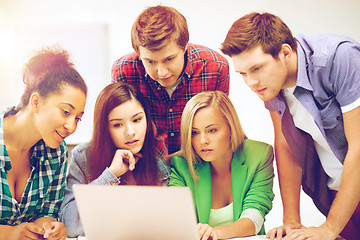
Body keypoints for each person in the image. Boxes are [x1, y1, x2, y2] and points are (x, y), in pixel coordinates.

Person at [221, 12, 360, 240]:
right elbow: (285, 145)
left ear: (285, 52)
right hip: (340, 195)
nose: (250, 83)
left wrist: (330, 228)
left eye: (256, 68)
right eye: (243, 74)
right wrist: (291, 221)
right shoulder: (270, 85)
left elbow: (359, 147)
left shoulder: (339, 58)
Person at [111, 5, 230, 154]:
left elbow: (219, 126)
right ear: (139, 54)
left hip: (198, 161)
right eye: (150, 62)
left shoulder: (216, 68)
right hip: (147, 164)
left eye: (169, 59)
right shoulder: (123, 72)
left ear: (185, 46)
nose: (161, 72)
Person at [59, 82, 170, 237]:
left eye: (137, 120)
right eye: (117, 125)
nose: (130, 132)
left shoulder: (160, 167)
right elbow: (69, 225)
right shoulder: (83, 157)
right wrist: (110, 175)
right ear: (104, 127)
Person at [0, 47, 87, 240]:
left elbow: (45, 213)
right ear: (36, 102)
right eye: (66, 112)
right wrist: (8, 234)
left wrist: (50, 227)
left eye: (78, 118)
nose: (71, 126)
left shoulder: (57, 154)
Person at [169, 91, 274, 240]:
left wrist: (216, 233)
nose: (203, 140)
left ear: (231, 127)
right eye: (194, 133)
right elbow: (178, 221)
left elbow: (254, 219)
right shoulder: (180, 165)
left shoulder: (259, 155)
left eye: (212, 130)